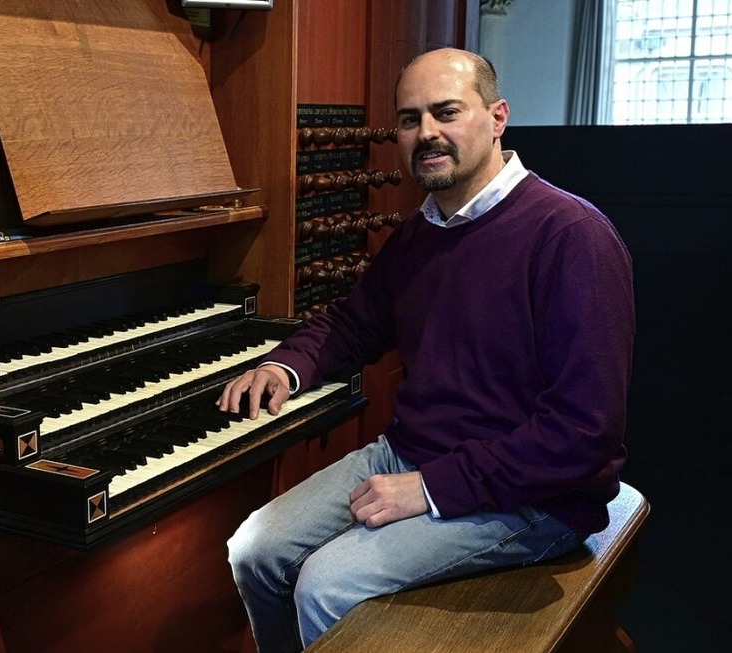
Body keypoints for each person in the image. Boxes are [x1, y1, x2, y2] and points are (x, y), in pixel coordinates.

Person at [218, 47, 635, 652]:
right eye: (410, 119)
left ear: (497, 117)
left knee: (326, 586)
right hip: (415, 456)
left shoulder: (571, 237)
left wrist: (433, 487)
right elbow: (353, 323)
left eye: (446, 112)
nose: (426, 133)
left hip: (539, 498)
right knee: (255, 550)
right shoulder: (421, 233)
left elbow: (584, 432)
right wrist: (286, 364)